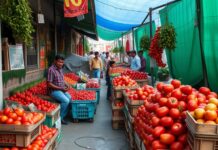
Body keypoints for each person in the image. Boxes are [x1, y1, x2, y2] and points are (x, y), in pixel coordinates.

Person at [47, 55, 71, 125]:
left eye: (62, 62)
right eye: (59, 62)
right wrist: (60, 88)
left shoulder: (60, 68)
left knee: (70, 98)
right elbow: (49, 84)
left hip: (61, 90)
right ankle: (59, 118)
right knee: (66, 101)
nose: (61, 64)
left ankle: (63, 115)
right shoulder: (51, 70)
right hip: (54, 91)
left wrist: (67, 84)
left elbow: (62, 80)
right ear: (55, 61)